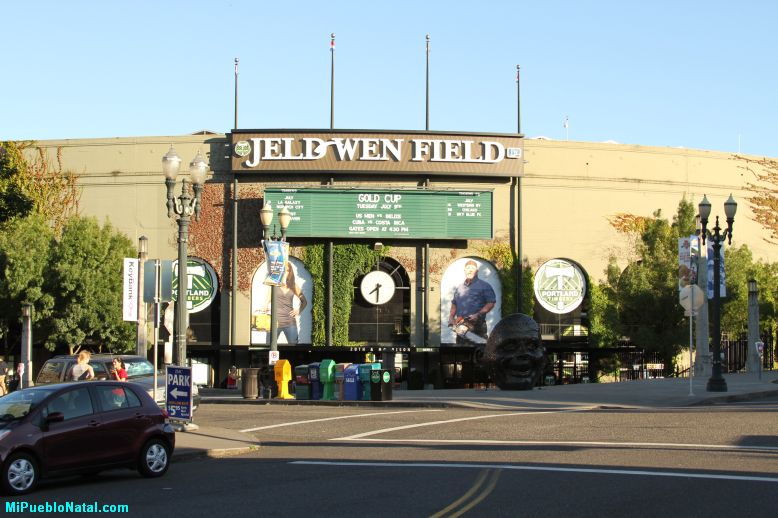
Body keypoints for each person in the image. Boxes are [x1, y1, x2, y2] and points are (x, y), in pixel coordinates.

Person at [448, 260, 496, 345]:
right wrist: (451, 317)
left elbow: (491, 303)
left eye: (472, 268)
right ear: (464, 271)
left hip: (477, 326)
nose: (470, 270)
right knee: (462, 352)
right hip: (461, 326)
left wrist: (478, 314)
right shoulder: (460, 287)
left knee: (479, 352)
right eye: (468, 268)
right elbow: (454, 303)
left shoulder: (485, 286)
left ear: (477, 271)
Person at [265, 266, 307, 345]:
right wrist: (265, 306)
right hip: (275, 322)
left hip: (290, 322)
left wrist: (298, 310)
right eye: (283, 270)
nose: (285, 272)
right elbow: (268, 298)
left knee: (294, 346)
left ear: (290, 272)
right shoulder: (275, 283)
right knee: (269, 346)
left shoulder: (293, 286)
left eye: (287, 270)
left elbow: (304, 301)